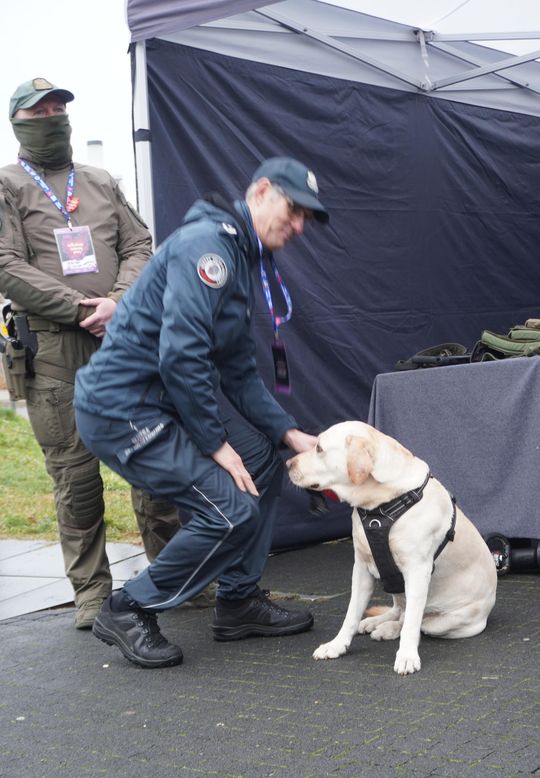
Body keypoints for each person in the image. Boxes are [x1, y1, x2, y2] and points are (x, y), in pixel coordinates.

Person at [74, 157, 329, 669]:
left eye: (307, 218)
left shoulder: (239, 255)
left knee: (263, 457)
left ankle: (237, 603)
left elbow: (237, 372)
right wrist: (216, 445)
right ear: (260, 191)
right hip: (121, 409)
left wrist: (289, 433)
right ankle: (128, 607)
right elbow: (180, 355)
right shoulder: (207, 248)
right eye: (293, 209)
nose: (298, 225)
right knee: (228, 510)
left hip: (162, 400)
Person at [0, 77, 181, 629]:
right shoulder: (8, 186)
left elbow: (140, 244)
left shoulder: (100, 180)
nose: (53, 117)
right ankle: (92, 594)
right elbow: (6, 265)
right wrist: (83, 309)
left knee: (152, 466)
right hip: (55, 353)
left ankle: (172, 578)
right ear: (19, 124)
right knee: (75, 479)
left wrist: (119, 304)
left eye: (59, 108)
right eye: (40, 111)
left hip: (122, 345)